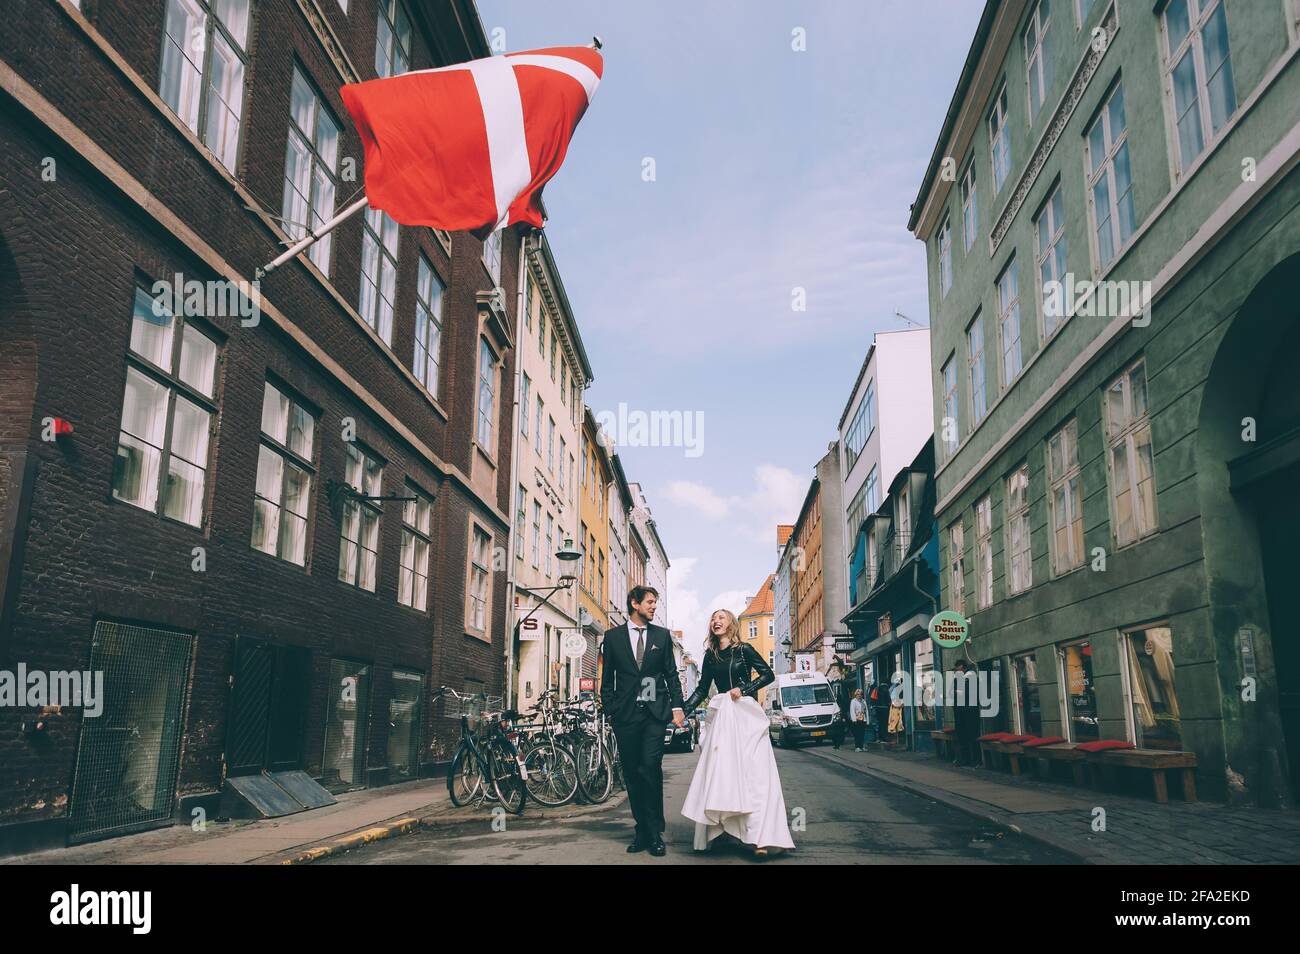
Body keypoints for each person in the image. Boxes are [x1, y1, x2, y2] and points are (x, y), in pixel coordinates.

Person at [680, 609, 795, 859]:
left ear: (731, 623)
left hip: (746, 715)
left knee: (755, 776)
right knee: (722, 774)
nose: (716, 621)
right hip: (723, 717)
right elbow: (701, 689)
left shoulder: (744, 649)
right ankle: (721, 830)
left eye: (721, 617)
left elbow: (768, 674)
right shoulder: (710, 657)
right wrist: (683, 711)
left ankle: (762, 837)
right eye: (713, 618)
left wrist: (744, 688)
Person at [599, 585, 685, 858]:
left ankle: (654, 831)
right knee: (633, 772)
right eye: (649, 602)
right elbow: (607, 678)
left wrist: (677, 706)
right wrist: (610, 708)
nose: (653, 607)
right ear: (634, 603)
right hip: (625, 715)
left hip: (654, 715)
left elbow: (671, 674)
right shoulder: (612, 637)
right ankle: (642, 829)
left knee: (650, 767)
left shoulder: (662, 636)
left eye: (655, 603)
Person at [952, 659, 982, 767]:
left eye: (959, 670)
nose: (957, 672)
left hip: (970, 712)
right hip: (960, 712)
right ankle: (965, 759)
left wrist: (960, 692)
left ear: (964, 668)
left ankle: (976, 760)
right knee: (961, 737)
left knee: (973, 736)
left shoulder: (971, 677)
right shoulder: (956, 679)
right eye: (956, 670)